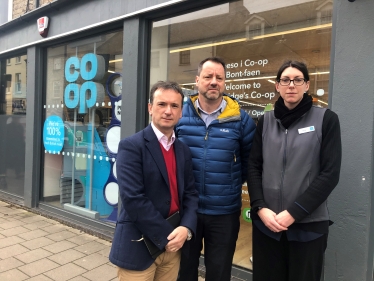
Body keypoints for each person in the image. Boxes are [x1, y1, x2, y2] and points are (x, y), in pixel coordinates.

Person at [248, 60, 342, 281]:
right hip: (267, 226)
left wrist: (293, 213)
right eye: (285, 80)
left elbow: (330, 174)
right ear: (277, 86)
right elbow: (253, 166)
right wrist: (260, 207)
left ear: (307, 85)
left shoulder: (326, 119)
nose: (291, 85)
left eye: (297, 80)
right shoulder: (265, 121)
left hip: (308, 228)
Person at [176, 57, 256, 281]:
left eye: (219, 78)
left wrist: (228, 185)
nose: (213, 82)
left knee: (219, 273)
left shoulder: (240, 120)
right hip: (186, 210)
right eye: (208, 77)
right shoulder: (180, 116)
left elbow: (249, 164)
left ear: (224, 83)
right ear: (197, 80)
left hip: (224, 212)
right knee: (184, 271)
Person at [109, 81, 199, 281]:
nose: (168, 111)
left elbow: (191, 194)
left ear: (181, 112)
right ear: (150, 108)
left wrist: (186, 229)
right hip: (140, 246)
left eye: (174, 106)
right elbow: (133, 199)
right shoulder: (131, 146)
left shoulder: (182, 150)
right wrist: (167, 235)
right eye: (161, 104)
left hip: (174, 247)